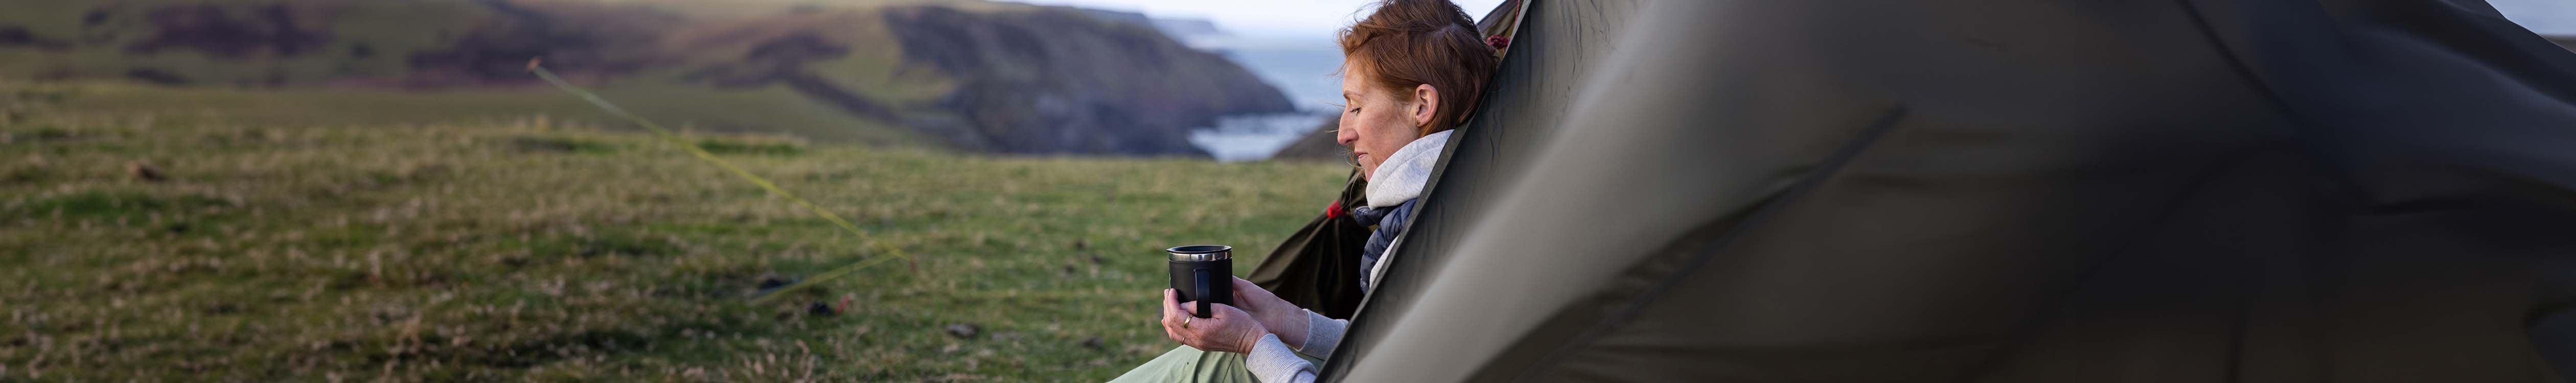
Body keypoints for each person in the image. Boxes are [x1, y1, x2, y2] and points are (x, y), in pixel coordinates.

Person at [1107, 1, 1500, 381]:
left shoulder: (1424, 236)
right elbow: (1396, 350)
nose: (1344, 133)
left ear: (1422, 105)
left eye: (1357, 107)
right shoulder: (1474, 195)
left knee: (1223, 367)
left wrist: (1250, 341)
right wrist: (1287, 320)